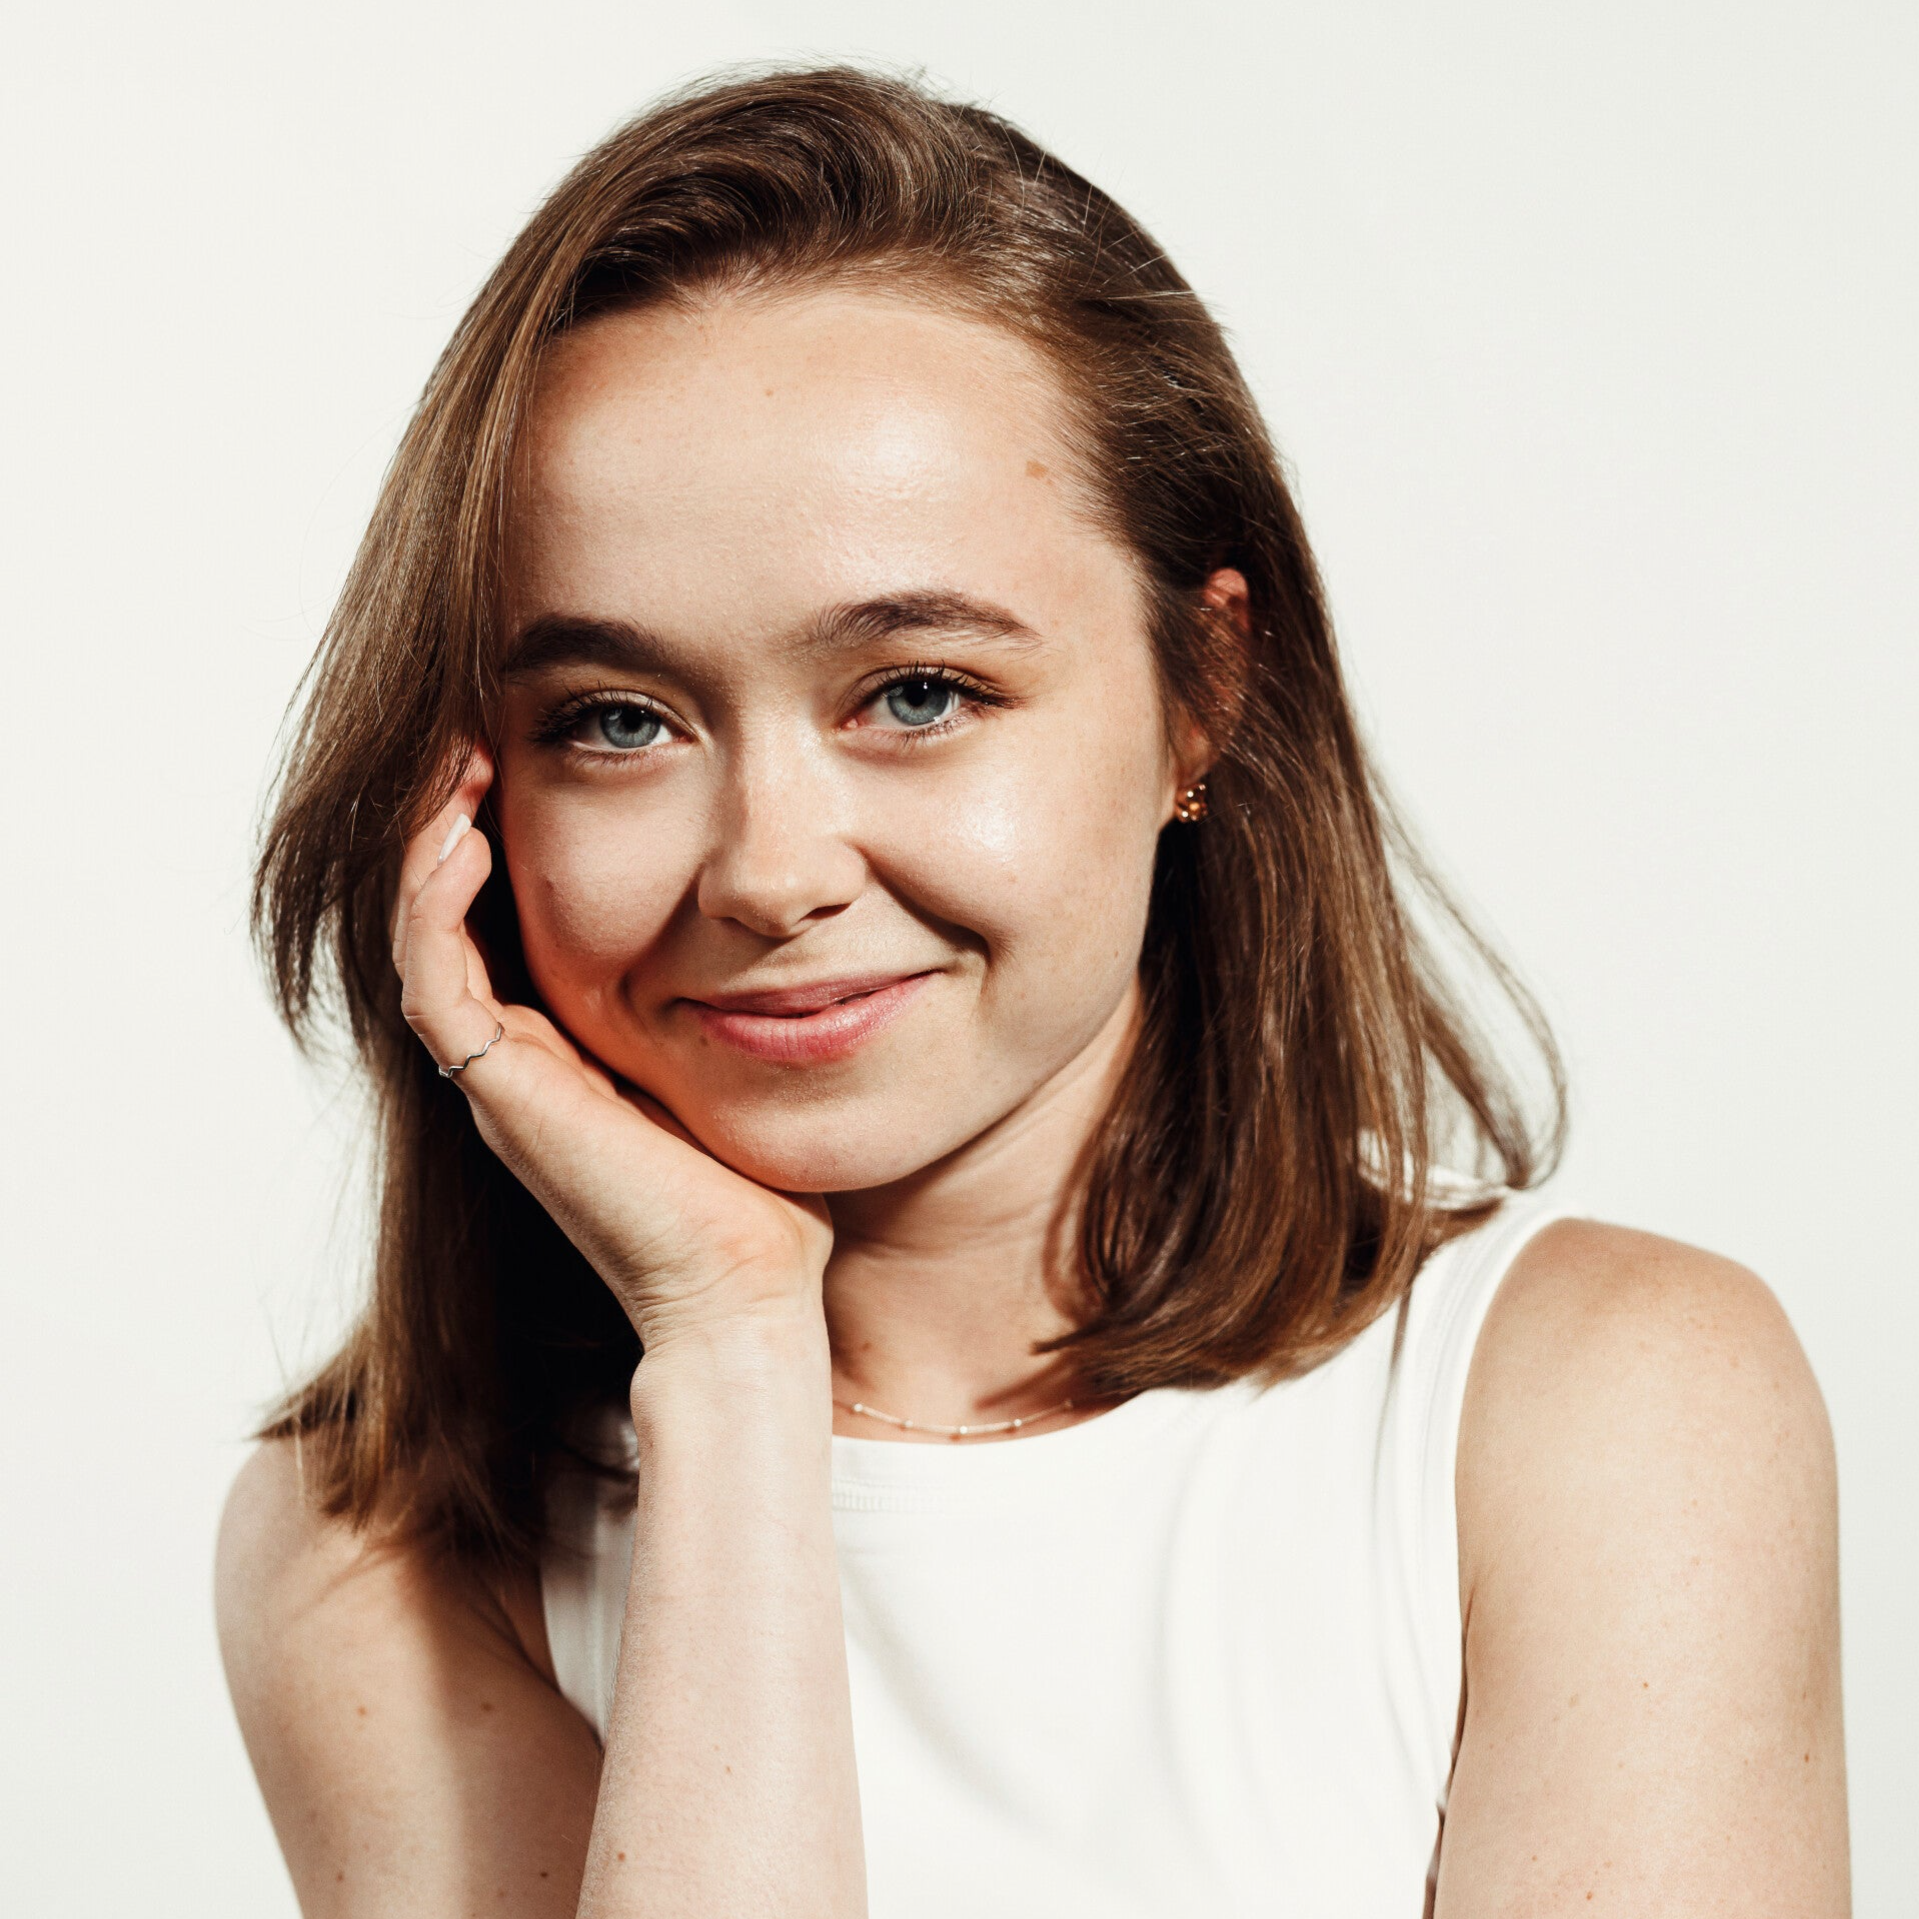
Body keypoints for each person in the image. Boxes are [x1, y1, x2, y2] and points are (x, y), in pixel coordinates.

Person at [214, 66, 1847, 1918]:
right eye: (616, 720)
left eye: (917, 692)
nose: (767, 871)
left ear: (1201, 690)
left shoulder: (1594, 1407)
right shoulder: (374, 1545)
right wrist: (734, 1356)